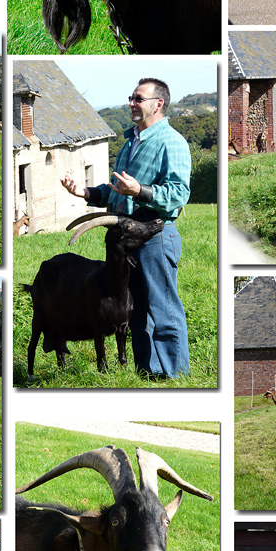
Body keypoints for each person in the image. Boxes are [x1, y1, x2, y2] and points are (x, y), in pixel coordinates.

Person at [61, 77, 191, 378]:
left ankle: (174, 376)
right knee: (135, 313)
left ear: (158, 104)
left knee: (164, 309)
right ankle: (148, 373)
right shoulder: (131, 142)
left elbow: (178, 194)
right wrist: (86, 193)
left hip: (154, 235)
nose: (131, 103)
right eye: (131, 97)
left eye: (138, 98)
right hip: (123, 241)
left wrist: (140, 191)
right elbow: (114, 190)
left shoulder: (172, 142)